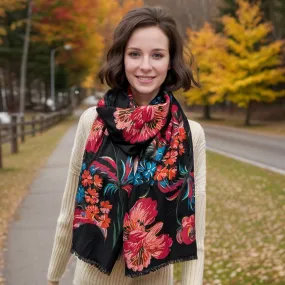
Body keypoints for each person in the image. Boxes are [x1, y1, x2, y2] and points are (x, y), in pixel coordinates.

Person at [47, 6, 206, 285]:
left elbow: (196, 229)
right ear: (122, 58)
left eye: (157, 55)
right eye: (135, 54)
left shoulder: (190, 134)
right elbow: (70, 208)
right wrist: (54, 275)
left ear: (170, 62)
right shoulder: (93, 122)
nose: (145, 65)